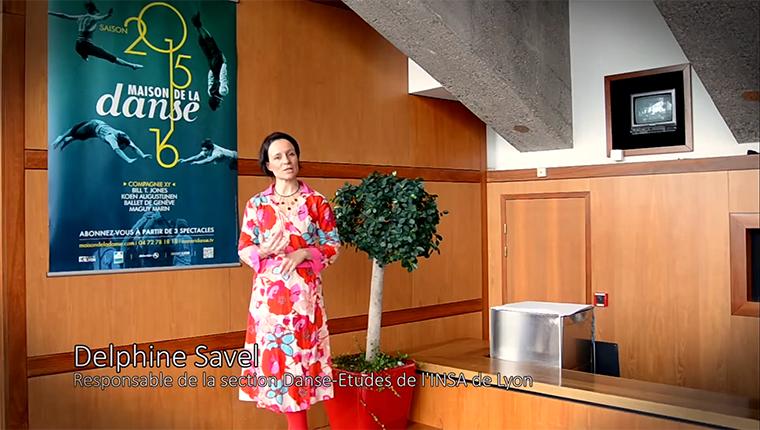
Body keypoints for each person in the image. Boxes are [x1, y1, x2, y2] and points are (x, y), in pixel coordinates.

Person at [238, 132, 340, 430]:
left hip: (305, 301)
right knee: (278, 368)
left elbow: (333, 245)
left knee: (301, 366)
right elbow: (244, 248)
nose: (286, 161)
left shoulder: (317, 202)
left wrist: (305, 252)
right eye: (278, 156)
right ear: (268, 165)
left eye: (291, 154)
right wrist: (263, 250)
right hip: (268, 304)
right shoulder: (257, 205)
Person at [49, 1, 143, 70]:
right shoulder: (93, 18)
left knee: (83, 51)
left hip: (77, 46)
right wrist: (108, 15)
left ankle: (84, 55)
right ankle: (132, 65)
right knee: (108, 56)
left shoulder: (80, 17)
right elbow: (103, 18)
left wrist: (49, 12)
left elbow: (64, 15)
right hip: (86, 46)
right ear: (94, 11)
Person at [51, 119, 153, 164]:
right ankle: (61, 137)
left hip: (96, 132)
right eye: (122, 147)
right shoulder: (111, 137)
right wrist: (128, 159)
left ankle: (67, 140)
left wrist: (143, 155)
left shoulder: (126, 139)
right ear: (119, 142)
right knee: (75, 132)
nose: (123, 148)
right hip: (93, 126)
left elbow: (135, 148)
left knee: (82, 137)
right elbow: (117, 150)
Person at [191, 11, 228, 111]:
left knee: (211, 43)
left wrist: (224, 63)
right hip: (212, 66)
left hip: (218, 66)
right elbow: (210, 79)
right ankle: (198, 27)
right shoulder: (210, 92)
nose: (220, 104)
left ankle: (198, 25)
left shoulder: (223, 92)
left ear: (216, 102)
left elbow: (223, 77)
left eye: (218, 105)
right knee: (205, 46)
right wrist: (211, 69)